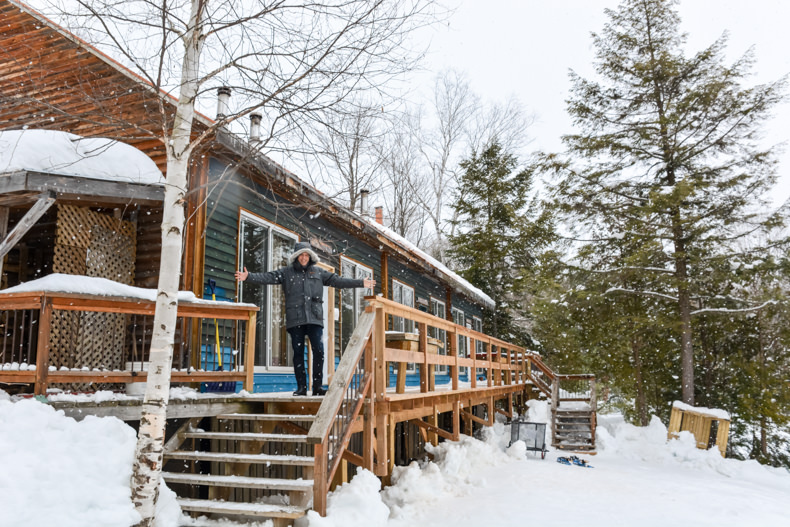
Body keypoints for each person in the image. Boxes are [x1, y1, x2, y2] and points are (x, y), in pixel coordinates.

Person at [235, 241, 375, 396]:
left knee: (319, 351)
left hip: (314, 318)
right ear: (296, 257)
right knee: (298, 353)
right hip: (296, 320)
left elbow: (338, 281)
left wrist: (361, 282)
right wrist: (249, 277)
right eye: (301, 255)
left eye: (306, 255)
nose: (304, 258)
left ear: (310, 256)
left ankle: (317, 387)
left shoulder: (318, 272)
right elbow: (269, 277)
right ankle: (301, 387)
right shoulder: (287, 273)